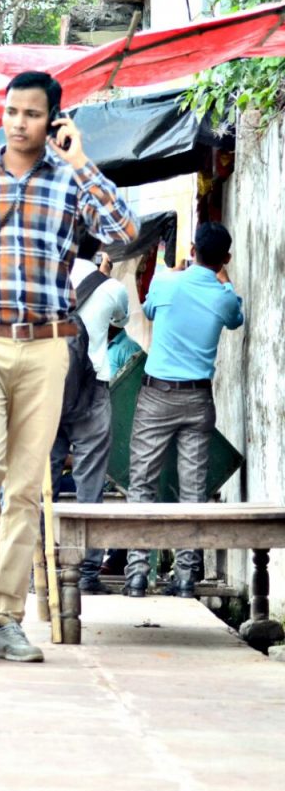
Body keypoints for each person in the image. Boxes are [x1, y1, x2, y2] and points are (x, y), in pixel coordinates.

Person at [0, 70, 138, 663]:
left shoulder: (69, 182)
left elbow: (123, 231)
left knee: (24, 486)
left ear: (54, 120)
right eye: (12, 112)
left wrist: (83, 161)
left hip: (46, 348)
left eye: (32, 114)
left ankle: (9, 616)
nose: (18, 122)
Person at [124, 222, 244, 599]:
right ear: (225, 258)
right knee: (193, 491)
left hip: (156, 396)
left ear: (191, 249)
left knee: (141, 482)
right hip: (197, 401)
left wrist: (172, 271)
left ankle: (137, 575)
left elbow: (148, 310)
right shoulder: (225, 296)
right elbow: (235, 318)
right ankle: (185, 578)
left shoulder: (164, 282)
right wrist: (222, 279)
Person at [48, 246, 129, 595]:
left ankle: (41, 567)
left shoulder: (42, 278)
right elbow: (120, 321)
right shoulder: (110, 287)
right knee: (90, 483)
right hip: (92, 389)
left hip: (46, 390)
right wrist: (106, 275)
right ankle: (86, 573)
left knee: (40, 482)